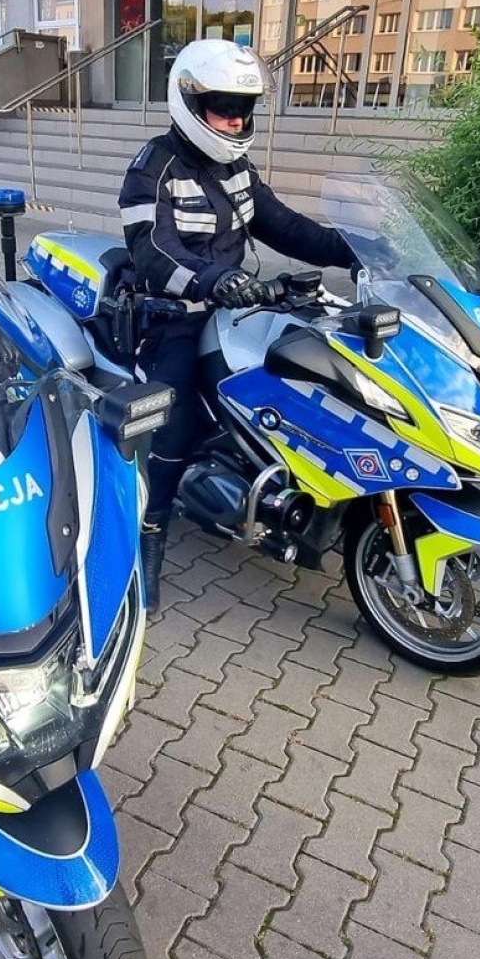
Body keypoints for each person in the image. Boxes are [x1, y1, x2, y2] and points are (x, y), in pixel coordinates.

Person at [117, 40, 356, 609]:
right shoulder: (153, 169)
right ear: (189, 103)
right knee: (174, 419)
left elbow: (286, 225)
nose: (236, 120)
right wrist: (212, 279)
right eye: (224, 107)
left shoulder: (236, 169)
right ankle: (148, 534)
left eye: (244, 108)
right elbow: (153, 250)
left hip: (236, 308)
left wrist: (357, 249)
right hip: (175, 313)